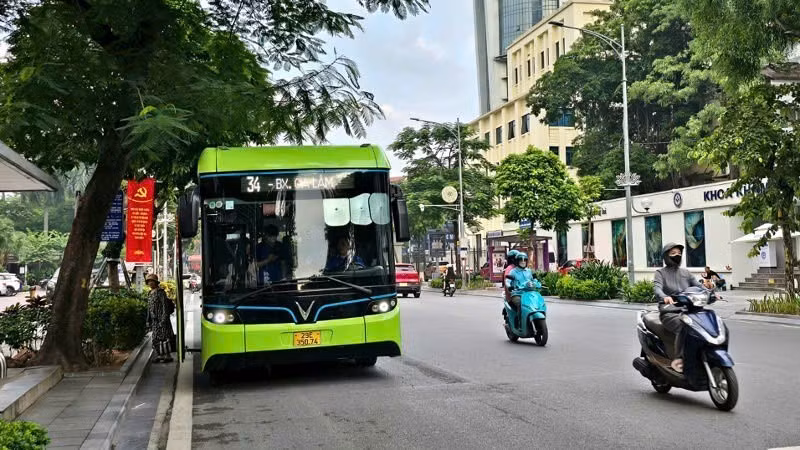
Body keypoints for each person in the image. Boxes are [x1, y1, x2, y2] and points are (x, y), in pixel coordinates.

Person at [653, 243, 703, 373]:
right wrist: (664, 296)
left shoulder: (686, 273)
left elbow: (698, 286)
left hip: (689, 310)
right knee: (684, 325)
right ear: (666, 256)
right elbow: (657, 288)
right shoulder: (660, 273)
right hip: (670, 312)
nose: (677, 255)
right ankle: (679, 358)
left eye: (679, 253)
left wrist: (711, 292)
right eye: (673, 253)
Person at [506, 252, 541, 328]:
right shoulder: (513, 271)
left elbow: (534, 280)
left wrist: (537, 283)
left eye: (524, 260)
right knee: (521, 304)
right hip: (517, 294)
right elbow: (508, 281)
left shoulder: (529, 271)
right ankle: (520, 322)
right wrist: (510, 287)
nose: (523, 262)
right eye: (521, 260)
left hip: (529, 293)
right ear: (517, 261)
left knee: (537, 303)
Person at [146, 274, 174, 363]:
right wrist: (148, 320)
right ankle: (159, 355)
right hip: (154, 320)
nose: (150, 283)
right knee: (155, 338)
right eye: (149, 281)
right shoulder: (149, 293)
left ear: (156, 282)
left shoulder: (161, 292)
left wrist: (163, 319)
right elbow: (149, 308)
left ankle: (167, 356)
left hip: (162, 319)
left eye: (152, 281)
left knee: (164, 338)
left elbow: (164, 306)